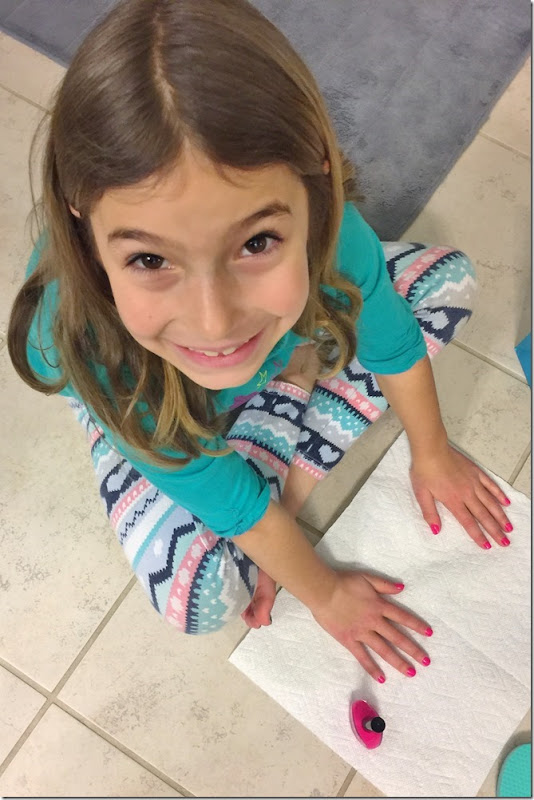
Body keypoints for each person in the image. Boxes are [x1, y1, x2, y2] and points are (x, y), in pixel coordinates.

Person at [8, 0, 513, 685]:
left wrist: (433, 452)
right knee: (201, 595)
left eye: (256, 242)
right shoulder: (78, 341)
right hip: (136, 387)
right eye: (150, 260)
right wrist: (324, 593)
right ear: (81, 219)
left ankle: (287, 391)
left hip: (267, 355)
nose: (215, 324)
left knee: (449, 281)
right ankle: (280, 386)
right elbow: (237, 508)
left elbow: (394, 345)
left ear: (317, 185)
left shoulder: (337, 236)